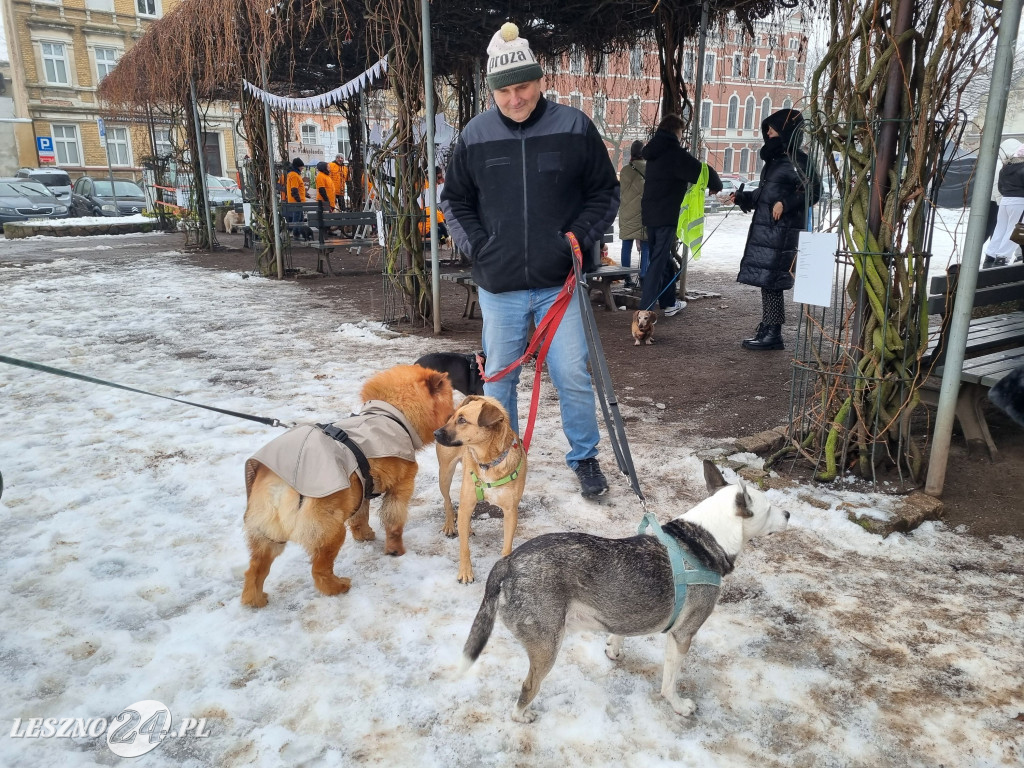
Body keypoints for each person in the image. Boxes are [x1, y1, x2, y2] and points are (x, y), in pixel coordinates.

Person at [440, 22, 620, 498]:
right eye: (504, 91)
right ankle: (502, 466)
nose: (514, 99)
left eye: (523, 87)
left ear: (540, 82)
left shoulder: (574, 126)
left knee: (571, 377)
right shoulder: (474, 135)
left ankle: (584, 458)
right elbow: (453, 201)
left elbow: (604, 192)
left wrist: (577, 238)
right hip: (499, 289)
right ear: (492, 91)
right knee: (498, 389)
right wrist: (478, 244)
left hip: (558, 284)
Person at [732, 108, 821, 351]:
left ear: (785, 130)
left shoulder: (798, 160)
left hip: (783, 231)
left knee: (772, 281)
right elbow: (765, 195)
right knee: (768, 281)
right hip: (769, 230)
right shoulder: (775, 162)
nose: (768, 133)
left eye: (772, 128)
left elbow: (813, 191)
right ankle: (768, 327)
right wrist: (740, 197)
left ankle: (773, 333)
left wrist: (786, 203)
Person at [640, 114, 722, 316]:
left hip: (650, 213)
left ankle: (668, 303)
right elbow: (702, 170)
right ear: (676, 131)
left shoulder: (653, 152)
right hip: (667, 214)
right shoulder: (674, 154)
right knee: (657, 262)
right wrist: (716, 185)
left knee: (661, 257)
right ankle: (644, 311)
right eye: (682, 132)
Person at [984, 144, 1024, 268]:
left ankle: (990, 257)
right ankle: (1002, 257)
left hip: (1005, 201)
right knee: (1016, 230)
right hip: (1020, 202)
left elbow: (1000, 187)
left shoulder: (1006, 167)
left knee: (1000, 228)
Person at [618, 140, 648, 289]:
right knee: (646, 245)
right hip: (643, 213)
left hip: (626, 212)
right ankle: (643, 276)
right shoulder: (649, 169)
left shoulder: (624, 170)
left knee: (626, 245)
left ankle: (626, 278)